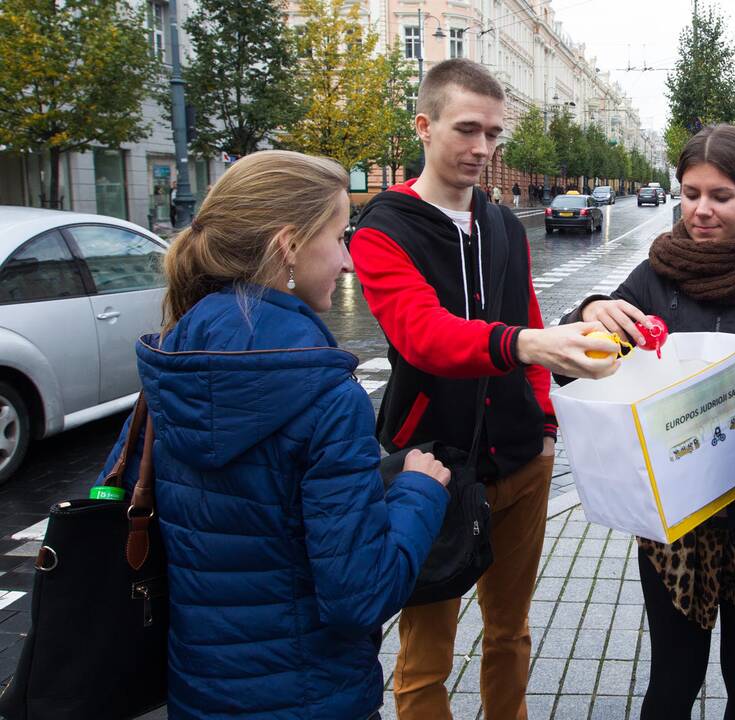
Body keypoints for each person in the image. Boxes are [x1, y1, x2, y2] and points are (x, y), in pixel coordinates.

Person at [95, 150, 452, 719]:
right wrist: (419, 492)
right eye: (339, 237)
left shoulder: (173, 358)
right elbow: (359, 595)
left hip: (198, 694)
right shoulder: (326, 397)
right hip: (313, 697)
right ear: (287, 246)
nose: (346, 261)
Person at [350, 58, 618, 720]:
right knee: (424, 662)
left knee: (509, 635)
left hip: (521, 462)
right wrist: (525, 345)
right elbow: (423, 335)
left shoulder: (499, 223)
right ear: (424, 125)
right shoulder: (385, 227)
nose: (483, 149)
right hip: (430, 471)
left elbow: (524, 310)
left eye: (494, 134)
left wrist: (546, 428)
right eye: (467, 129)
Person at [559, 125, 735, 720]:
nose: (700, 210)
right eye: (690, 191)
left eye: (720, 195)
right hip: (675, 527)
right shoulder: (657, 276)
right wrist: (590, 311)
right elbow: (580, 368)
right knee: (673, 680)